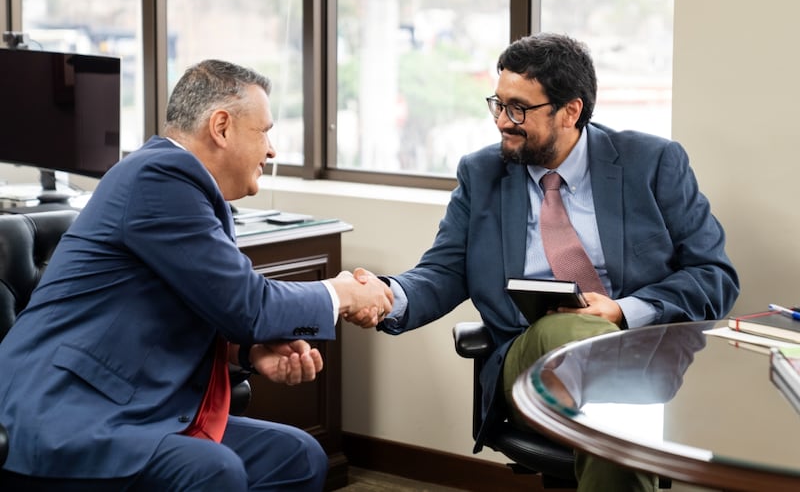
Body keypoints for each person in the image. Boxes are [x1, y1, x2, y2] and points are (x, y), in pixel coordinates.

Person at [356, 33, 739, 491]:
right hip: (529, 362)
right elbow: (445, 269)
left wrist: (621, 311)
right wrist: (386, 296)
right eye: (496, 104)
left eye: (518, 108)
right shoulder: (482, 173)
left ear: (570, 111)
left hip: (644, 357)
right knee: (565, 328)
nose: (501, 121)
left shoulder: (653, 162)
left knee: (614, 410)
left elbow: (714, 275)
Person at [0, 59, 392, 491]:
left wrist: (250, 354)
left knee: (296, 458)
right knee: (213, 472)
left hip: (139, 404)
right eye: (263, 131)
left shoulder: (187, 189)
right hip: (71, 413)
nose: (272, 150)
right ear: (221, 126)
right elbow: (248, 306)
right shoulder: (158, 177)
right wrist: (341, 293)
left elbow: (196, 311)